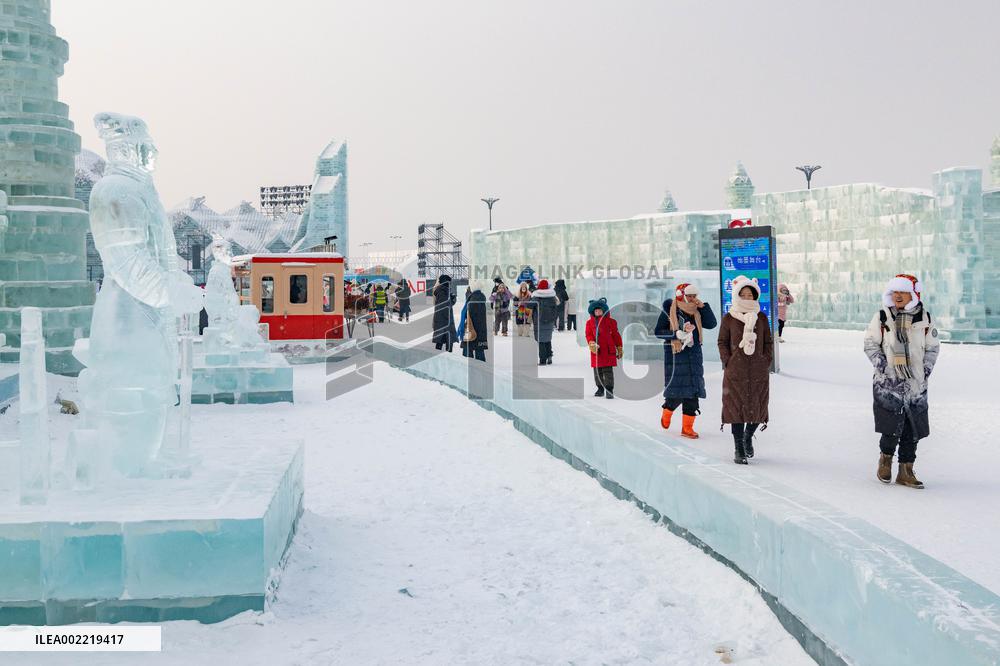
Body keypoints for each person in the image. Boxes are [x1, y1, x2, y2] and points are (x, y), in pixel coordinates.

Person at [863, 274, 940, 489]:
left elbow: (933, 347)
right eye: (894, 292)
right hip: (888, 385)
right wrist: (885, 369)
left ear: (913, 294)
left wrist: (924, 371)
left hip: (915, 384)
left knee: (912, 428)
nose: (897, 296)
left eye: (902, 292)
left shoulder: (925, 318)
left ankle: (906, 470)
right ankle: (885, 460)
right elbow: (870, 345)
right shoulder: (882, 316)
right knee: (891, 425)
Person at [718, 276, 773, 465]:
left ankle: (748, 436)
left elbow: (768, 342)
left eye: (751, 295)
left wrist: (765, 360)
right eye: (744, 294)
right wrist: (728, 361)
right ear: (737, 295)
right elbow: (722, 342)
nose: (748, 298)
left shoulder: (762, 317)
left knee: (758, 407)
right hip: (736, 372)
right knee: (736, 409)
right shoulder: (729, 317)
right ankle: (738, 447)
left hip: (758, 372)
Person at [654, 283, 717, 439]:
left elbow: (711, 324)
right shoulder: (670, 310)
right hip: (676, 354)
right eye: (689, 296)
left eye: (694, 296)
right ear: (681, 295)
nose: (692, 299)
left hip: (694, 354)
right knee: (676, 393)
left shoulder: (697, 311)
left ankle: (687, 428)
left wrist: (703, 307)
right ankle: (667, 411)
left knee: (693, 392)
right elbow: (658, 332)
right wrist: (676, 334)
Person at [585, 297, 623, 399]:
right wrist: (591, 343)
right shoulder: (589, 323)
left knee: (608, 371)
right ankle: (600, 388)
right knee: (598, 372)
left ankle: (609, 389)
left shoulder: (611, 322)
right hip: (597, 350)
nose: (597, 312)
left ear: (604, 311)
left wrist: (619, 347)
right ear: (593, 312)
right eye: (596, 311)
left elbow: (616, 335)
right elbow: (588, 335)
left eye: (599, 310)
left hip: (608, 350)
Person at [531, 279, 558, 365]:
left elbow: (530, 305)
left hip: (539, 321)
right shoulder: (552, 296)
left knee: (541, 340)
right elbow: (557, 306)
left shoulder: (536, 296)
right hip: (549, 321)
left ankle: (543, 360)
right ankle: (549, 357)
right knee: (547, 339)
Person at [457, 289, 489, 362]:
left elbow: (466, 314)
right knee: (479, 353)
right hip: (481, 331)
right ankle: (482, 371)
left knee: (467, 355)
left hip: (470, 330)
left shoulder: (472, 299)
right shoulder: (481, 298)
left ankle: (471, 371)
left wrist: (461, 330)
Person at [431, 274, 457, 352]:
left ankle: (440, 356)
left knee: (441, 340)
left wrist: (452, 299)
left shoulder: (442, 291)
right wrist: (452, 299)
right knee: (448, 341)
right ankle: (448, 357)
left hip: (441, 321)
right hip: (445, 321)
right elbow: (445, 307)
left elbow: (447, 305)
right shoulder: (443, 292)